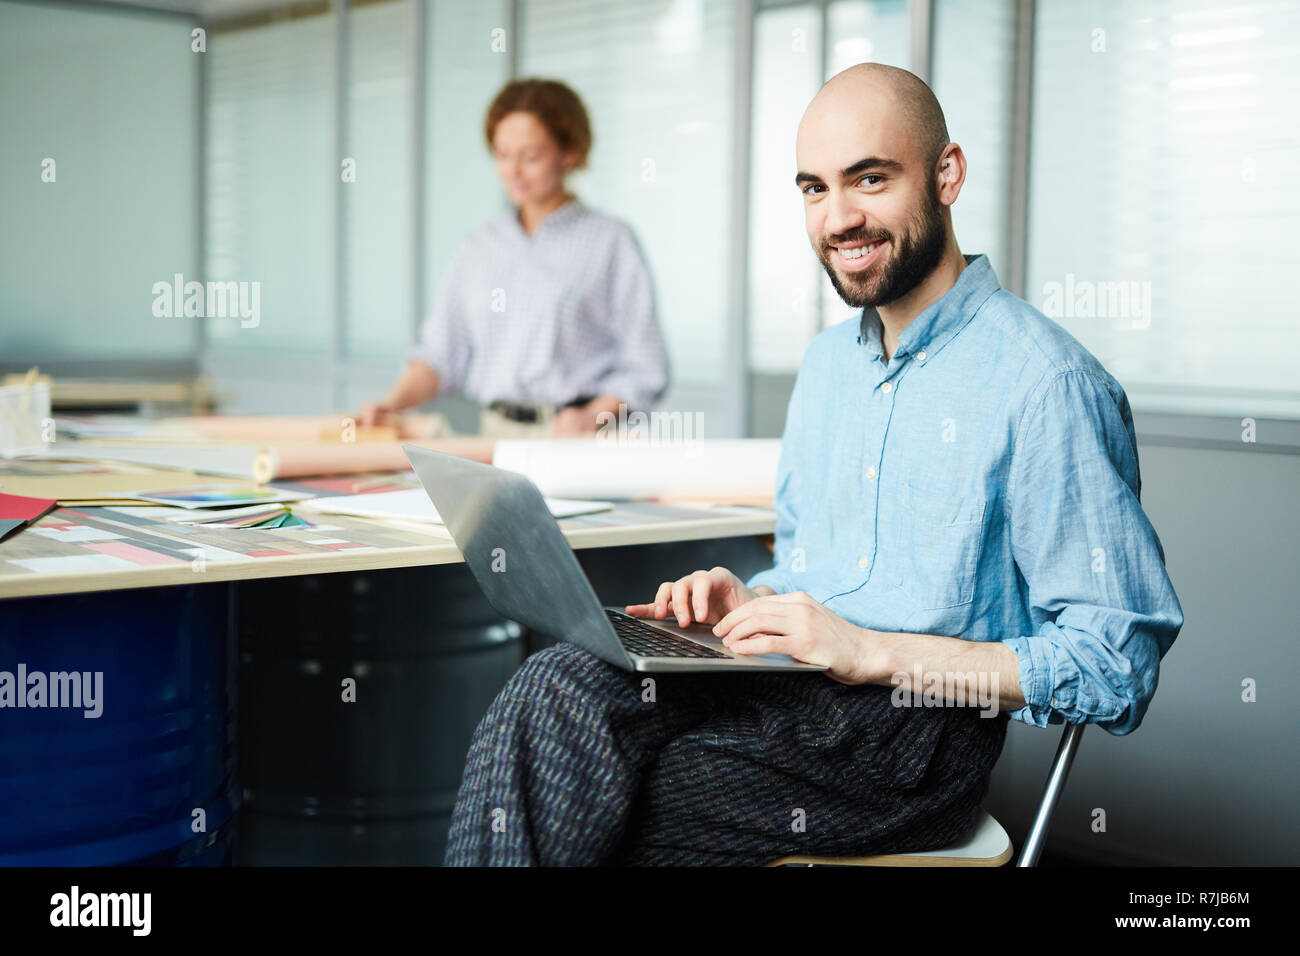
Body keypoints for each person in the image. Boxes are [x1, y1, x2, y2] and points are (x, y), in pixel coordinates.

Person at [442, 63, 1184, 866]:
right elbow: (806, 568)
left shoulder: (1048, 385)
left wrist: (872, 651)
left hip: (912, 732)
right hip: (784, 681)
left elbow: (1115, 667)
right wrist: (750, 601)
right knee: (553, 688)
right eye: (814, 188)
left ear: (947, 174)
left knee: (625, 787)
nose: (839, 217)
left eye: (869, 179)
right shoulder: (829, 365)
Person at [359, 78, 668, 438]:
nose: (513, 172)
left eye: (530, 157)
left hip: (578, 438)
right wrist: (391, 404)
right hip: (495, 437)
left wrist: (594, 416)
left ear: (570, 151)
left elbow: (644, 368)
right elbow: (441, 354)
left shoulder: (610, 242)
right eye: (502, 155)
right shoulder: (479, 247)